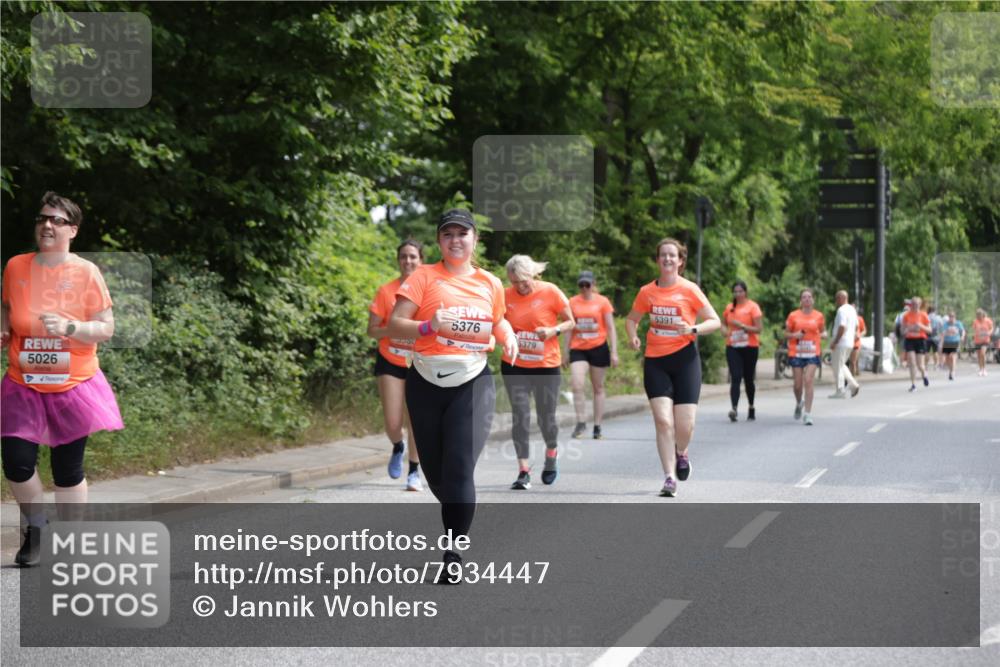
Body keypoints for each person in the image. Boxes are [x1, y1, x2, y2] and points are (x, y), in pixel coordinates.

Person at [387, 209, 516, 582]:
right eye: (448, 234)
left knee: (459, 467)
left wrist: (508, 338)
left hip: (472, 381)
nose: (456, 239)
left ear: (475, 239)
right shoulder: (423, 277)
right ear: (440, 241)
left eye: (463, 233)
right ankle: (460, 507)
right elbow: (395, 324)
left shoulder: (490, 283)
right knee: (437, 475)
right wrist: (430, 325)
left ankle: (454, 550)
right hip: (425, 381)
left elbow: (498, 320)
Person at [1, 192, 123, 567]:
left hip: (73, 385)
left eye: (56, 220)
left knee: (67, 472)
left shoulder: (86, 272)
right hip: (23, 383)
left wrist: (71, 326)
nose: (47, 225)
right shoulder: (16, 266)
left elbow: (107, 328)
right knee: (17, 464)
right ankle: (35, 527)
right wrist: (4, 330)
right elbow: (7, 308)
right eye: (42, 219)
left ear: (72, 230)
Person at [625, 238, 720, 497]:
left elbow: (715, 320)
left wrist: (693, 328)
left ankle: (682, 452)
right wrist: (632, 335)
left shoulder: (689, 289)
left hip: (686, 361)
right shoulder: (647, 292)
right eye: (663, 255)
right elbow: (632, 319)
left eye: (672, 255)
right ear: (657, 260)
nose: (667, 259)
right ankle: (669, 477)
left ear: (680, 261)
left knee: (684, 426)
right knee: (663, 421)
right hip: (656, 361)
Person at [501, 255, 575, 490]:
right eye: (515, 282)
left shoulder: (550, 291)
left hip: (546, 365)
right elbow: (496, 323)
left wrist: (553, 330)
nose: (520, 287)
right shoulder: (504, 295)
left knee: (547, 418)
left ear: (533, 274)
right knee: (520, 416)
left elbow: (571, 321)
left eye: (524, 281)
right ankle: (523, 471)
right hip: (515, 364)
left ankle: (551, 452)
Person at [367, 240, 423, 491]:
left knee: (416, 421)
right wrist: (393, 328)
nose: (408, 261)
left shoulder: (428, 291)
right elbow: (372, 331)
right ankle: (397, 446)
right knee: (392, 423)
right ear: (398, 260)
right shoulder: (386, 292)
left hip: (418, 363)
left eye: (413, 256)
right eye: (403, 257)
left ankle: (414, 472)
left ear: (420, 260)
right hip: (390, 360)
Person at [564, 270, 617, 440]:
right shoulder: (572, 302)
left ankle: (597, 426)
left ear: (593, 285)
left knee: (598, 387)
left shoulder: (603, 302)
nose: (585, 288)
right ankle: (581, 422)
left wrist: (614, 351)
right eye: (581, 285)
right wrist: (564, 352)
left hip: (599, 347)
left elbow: (610, 327)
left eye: (588, 285)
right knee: (576, 383)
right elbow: (569, 327)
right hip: (578, 347)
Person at [719, 280, 762, 421]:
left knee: (748, 379)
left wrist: (743, 326)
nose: (738, 294)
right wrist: (724, 331)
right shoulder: (729, 308)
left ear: (745, 292)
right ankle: (734, 409)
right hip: (733, 346)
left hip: (750, 346)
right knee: (735, 377)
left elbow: (759, 329)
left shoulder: (753, 307)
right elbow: (723, 324)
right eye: (735, 291)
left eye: (740, 291)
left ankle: (751, 406)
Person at [785, 288, 826, 426]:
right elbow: (786, 334)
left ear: (813, 300)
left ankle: (807, 414)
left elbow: (822, 330)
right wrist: (794, 335)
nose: (807, 299)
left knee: (808, 380)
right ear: (800, 301)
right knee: (797, 385)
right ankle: (799, 402)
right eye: (804, 297)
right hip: (796, 352)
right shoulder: (793, 316)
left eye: (809, 297)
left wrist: (824, 334)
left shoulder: (818, 316)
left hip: (813, 352)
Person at [828, 290, 860, 399]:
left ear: (842, 298)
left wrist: (835, 342)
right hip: (849, 342)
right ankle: (853, 385)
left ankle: (840, 390)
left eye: (837, 298)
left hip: (841, 342)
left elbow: (842, 327)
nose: (836, 301)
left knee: (837, 366)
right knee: (841, 365)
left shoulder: (841, 310)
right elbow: (856, 326)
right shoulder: (852, 309)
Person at [901, 297, 931, 391]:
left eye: (917, 304)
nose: (915, 306)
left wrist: (920, 326)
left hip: (920, 340)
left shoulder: (924, 315)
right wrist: (907, 329)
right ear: (911, 305)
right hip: (910, 340)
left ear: (920, 304)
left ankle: (924, 375)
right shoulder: (906, 315)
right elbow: (902, 331)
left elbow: (930, 330)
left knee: (920, 365)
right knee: (912, 363)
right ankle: (913, 384)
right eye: (913, 304)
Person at [941, 311, 965, 381]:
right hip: (947, 342)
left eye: (953, 317)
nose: (951, 318)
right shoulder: (946, 324)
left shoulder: (958, 323)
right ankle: (950, 370)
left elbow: (962, 330)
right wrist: (941, 342)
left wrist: (962, 336)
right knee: (948, 358)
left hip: (955, 341)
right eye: (950, 317)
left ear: (955, 317)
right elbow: (943, 333)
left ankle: (952, 372)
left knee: (953, 356)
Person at [972, 308, 995, 377]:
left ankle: (984, 369)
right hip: (977, 340)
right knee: (979, 356)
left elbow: (992, 328)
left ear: (983, 315)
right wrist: (976, 334)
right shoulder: (975, 321)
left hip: (985, 340)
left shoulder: (988, 320)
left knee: (983, 353)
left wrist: (989, 332)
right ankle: (980, 369)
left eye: (980, 315)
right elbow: (974, 329)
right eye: (977, 315)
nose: (979, 317)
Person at [849, 307, 866, 377]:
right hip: (847, 343)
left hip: (856, 343)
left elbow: (864, 331)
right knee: (851, 362)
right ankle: (853, 374)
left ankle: (852, 379)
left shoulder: (859, 319)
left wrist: (859, 335)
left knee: (853, 362)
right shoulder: (846, 318)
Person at [927, 305, 944, 370]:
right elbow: (942, 326)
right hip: (936, 337)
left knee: (926, 351)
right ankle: (935, 365)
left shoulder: (926, 317)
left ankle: (925, 365)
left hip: (927, 336)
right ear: (934, 310)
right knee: (935, 351)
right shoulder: (938, 318)